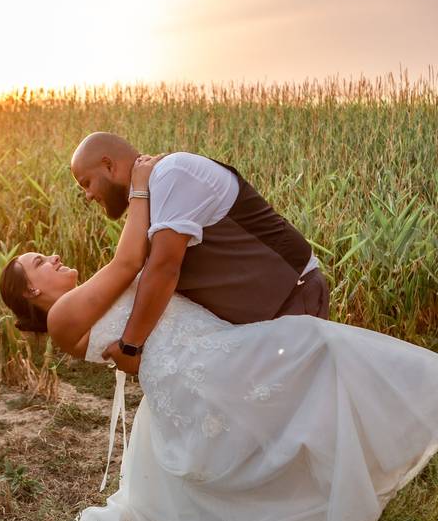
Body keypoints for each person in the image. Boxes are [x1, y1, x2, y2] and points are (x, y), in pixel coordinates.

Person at [0, 155, 438, 521]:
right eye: (40, 262)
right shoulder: (65, 314)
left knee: (269, 435)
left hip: (209, 355)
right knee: (312, 346)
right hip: (196, 369)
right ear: (32, 292)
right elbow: (130, 264)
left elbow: (139, 267)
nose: (52, 258)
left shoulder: (78, 301)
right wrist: (140, 186)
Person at [69, 132, 331, 375]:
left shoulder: (171, 174)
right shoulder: (148, 196)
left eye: (86, 183)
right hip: (260, 323)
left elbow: (164, 268)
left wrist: (130, 345)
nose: (89, 195)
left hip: (293, 301)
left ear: (108, 165)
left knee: (298, 414)